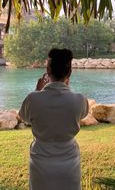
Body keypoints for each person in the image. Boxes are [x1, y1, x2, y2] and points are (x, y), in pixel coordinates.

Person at [19, 48, 89, 190]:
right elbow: (82, 114)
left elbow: (24, 117)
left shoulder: (33, 99)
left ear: (47, 70)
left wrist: (38, 91)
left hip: (40, 162)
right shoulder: (79, 100)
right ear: (69, 72)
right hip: (69, 164)